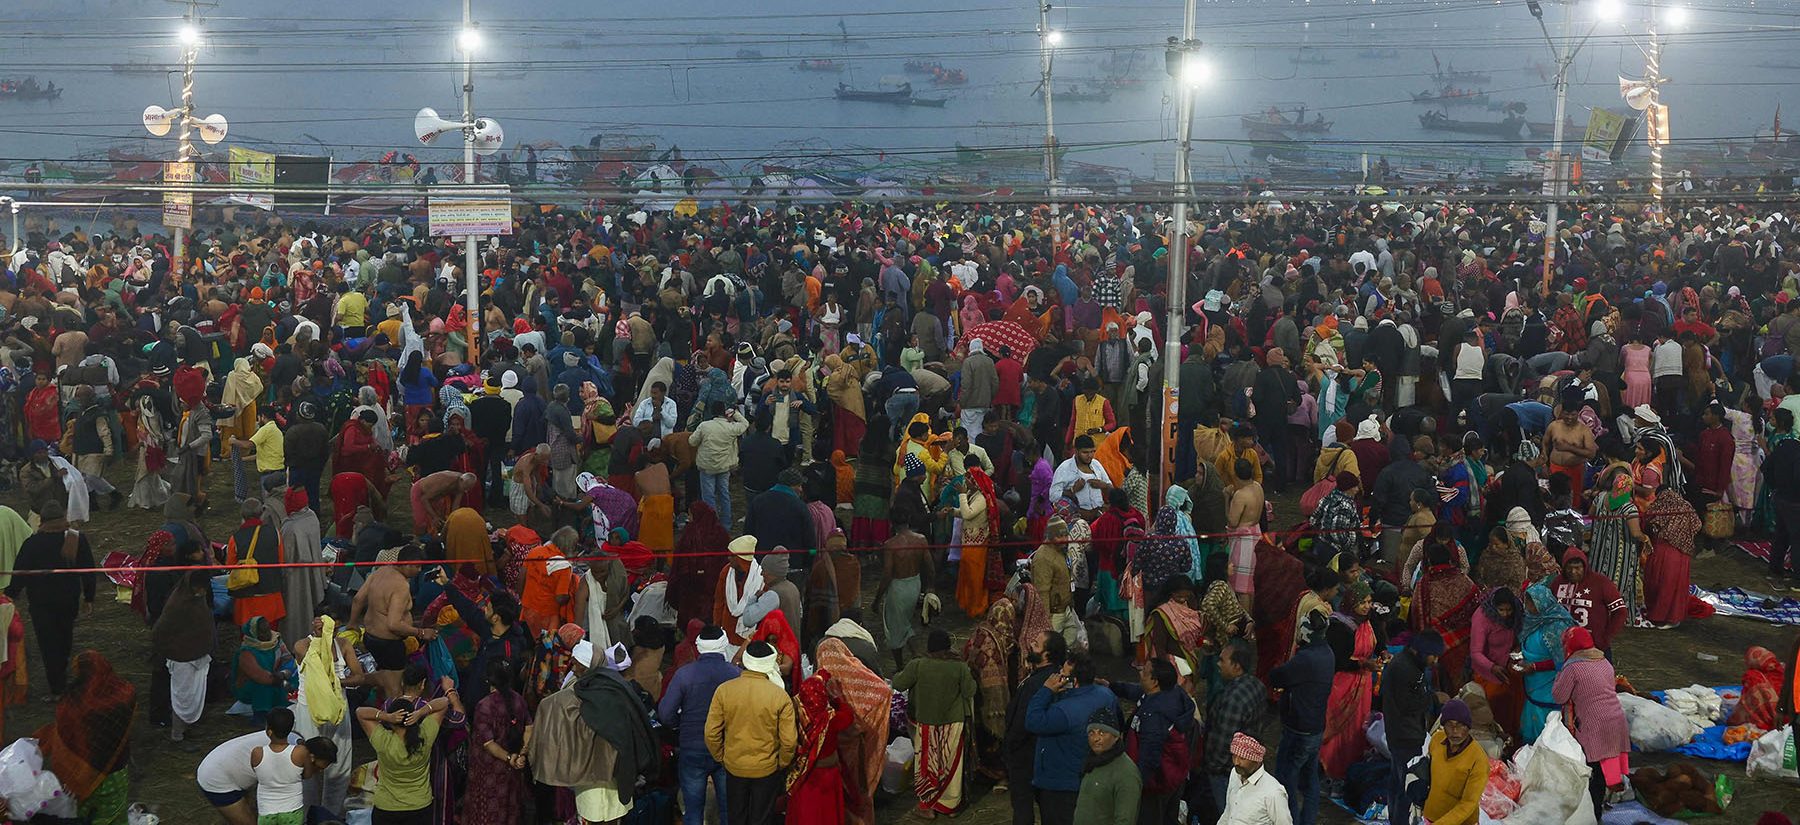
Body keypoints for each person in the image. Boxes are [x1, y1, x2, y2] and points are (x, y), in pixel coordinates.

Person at [34, 651, 137, 825]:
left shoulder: (71, 701)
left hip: (81, 774)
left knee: (83, 813)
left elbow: (64, 733)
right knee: (113, 813)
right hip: (115, 772)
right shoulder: (125, 694)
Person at [4, 501, 94, 699]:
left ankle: (57, 687)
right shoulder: (76, 539)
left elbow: (20, 572)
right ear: (63, 519)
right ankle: (61, 675)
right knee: (64, 638)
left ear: (42, 521)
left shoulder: (33, 543)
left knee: (48, 644)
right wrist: (89, 597)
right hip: (68, 600)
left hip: (41, 604)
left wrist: (11, 594)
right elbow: (89, 570)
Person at [705, 640, 797, 825]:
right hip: (766, 769)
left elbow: (711, 732)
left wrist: (721, 757)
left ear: (746, 661)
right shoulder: (780, 696)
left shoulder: (724, 691)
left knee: (736, 817)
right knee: (761, 819)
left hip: (734, 766)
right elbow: (789, 741)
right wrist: (781, 763)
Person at [1025, 653, 1120, 825]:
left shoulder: (1064, 711)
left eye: (1064, 672)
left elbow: (1033, 721)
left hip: (1060, 785)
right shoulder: (1106, 695)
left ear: (1073, 681)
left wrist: (1046, 690)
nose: (1059, 674)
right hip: (1091, 776)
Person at [659, 625, 740, 825]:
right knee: (728, 810)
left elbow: (665, 713)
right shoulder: (736, 674)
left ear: (699, 647)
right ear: (724, 645)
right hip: (725, 749)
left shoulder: (684, 674)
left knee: (693, 811)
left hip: (692, 747)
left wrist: (681, 725)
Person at [893, 629, 977, 818]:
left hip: (926, 723)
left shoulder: (918, 665)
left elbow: (898, 684)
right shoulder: (959, 668)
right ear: (948, 649)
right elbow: (970, 690)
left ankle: (927, 806)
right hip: (954, 723)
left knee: (927, 764)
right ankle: (950, 806)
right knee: (951, 765)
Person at [356, 681, 463, 825]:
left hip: (386, 808)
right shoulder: (424, 736)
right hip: (419, 807)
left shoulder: (383, 741)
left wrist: (387, 717)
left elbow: (360, 712)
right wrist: (420, 712)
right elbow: (444, 702)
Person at [1553, 627, 1630, 818]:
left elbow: (1559, 696)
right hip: (1616, 719)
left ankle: (1591, 814)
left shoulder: (1572, 667)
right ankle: (1598, 809)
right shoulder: (1603, 661)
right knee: (1602, 770)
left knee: (1592, 770)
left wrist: (1557, 678)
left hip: (1594, 724)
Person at [1106, 657, 1194, 825]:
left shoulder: (1154, 716)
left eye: (1144, 673)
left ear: (1155, 682)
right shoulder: (1172, 693)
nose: (1140, 675)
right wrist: (1112, 686)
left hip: (1156, 785)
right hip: (1174, 777)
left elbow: (1150, 756)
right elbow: (1137, 691)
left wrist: (1135, 786)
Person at [1268, 611, 1332, 825]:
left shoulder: (1306, 659)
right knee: (1310, 781)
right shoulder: (1327, 653)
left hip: (1299, 729)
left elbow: (1277, 676)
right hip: (1315, 727)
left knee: (1286, 782)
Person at [1380, 630, 1443, 825]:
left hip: (1401, 732)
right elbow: (1407, 704)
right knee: (1406, 787)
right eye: (1434, 655)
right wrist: (1433, 698)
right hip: (1404, 736)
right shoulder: (1404, 669)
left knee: (1397, 782)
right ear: (1422, 652)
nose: (1436, 660)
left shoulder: (1409, 664)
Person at [1004, 628, 1067, 825]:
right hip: (1047, 756)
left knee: (1023, 806)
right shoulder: (1057, 678)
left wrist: (1008, 748)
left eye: (1037, 644)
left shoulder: (1037, 684)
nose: (1031, 644)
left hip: (1025, 755)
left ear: (1046, 655)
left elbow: (1022, 723)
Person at [1321, 579, 1381, 781]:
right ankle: (1330, 768)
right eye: (1362, 602)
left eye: (1369, 601)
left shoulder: (1366, 622)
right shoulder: (1340, 626)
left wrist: (1382, 653)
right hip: (1343, 684)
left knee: (1356, 727)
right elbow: (1338, 661)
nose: (1367, 606)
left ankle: (1349, 768)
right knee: (1339, 728)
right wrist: (1364, 665)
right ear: (1351, 603)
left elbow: (1377, 643)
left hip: (1362, 686)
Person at [198, 712, 299, 825]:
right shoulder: (291, 753)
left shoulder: (287, 737)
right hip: (217, 778)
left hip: (222, 766)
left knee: (251, 813)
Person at [466, 660, 533, 825]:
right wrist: (522, 755)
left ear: (488, 680)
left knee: (487, 814)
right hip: (513, 770)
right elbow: (529, 727)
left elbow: (489, 744)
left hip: (489, 772)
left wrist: (511, 758)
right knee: (511, 809)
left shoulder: (484, 706)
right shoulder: (519, 700)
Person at [1204, 639, 1264, 818]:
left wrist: (1211, 768)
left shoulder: (1233, 699)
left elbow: (1223, 742)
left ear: (1237, 666)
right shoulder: (1256, 685)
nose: (1218, 663)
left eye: (1222, 660)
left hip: (1227, 773)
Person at [250, 717, 339, 825]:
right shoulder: (289, 760)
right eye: (318, 768)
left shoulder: (294, 739)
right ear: (310, 758)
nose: (318, 772)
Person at [1518, 582, 1577, 743]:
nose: (1529, 606)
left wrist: (1536, 666)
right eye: (1527, 601)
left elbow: (1564, 660)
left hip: (1550, 681)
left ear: (1542, 601)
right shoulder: (1530, 621)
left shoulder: (1557, 625)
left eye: (1532, 602)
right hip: (1532, 681)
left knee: (1548, 724)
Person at [1642, 480, 1701, 629]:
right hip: (1683, 553)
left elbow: (1647, 520)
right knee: (1676, 585)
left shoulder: (1661, 505)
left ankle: (1659, 615)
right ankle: (1673, 617)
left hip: (1663, 550)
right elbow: (1698, 524)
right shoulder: (1686, 506)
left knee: (1660, 583)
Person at [1419, 700, 1489, 825]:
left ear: (1468, 727)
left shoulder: (1478, 759)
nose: (1455, 730)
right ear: (1443, 726)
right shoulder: (1436, 740)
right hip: (1431, 816)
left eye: (1461, 725)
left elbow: (1468, 803)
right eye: (1450, 725)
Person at [1073, 704, 1141, 825]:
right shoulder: (1091, 764)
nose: (1096, 738)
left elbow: (1125, 820)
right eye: (1091, 733)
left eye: (1102, 733)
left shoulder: (1126, 773)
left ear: (1116, 736)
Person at [1470, 587, 1524, 739]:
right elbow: (1475, 653)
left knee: (1513, 712)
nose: (1506, 614)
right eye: (1501, 610)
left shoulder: (1517, 613)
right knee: (1493, 714)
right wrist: (1492, 668)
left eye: (1509, 610)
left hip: (1510, 669)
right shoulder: (1482, 617)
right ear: (1494, 607)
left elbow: (1518, 635)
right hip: (1488, 673)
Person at [1552, 549, 1627, 655]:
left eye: (1577, 568)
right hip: (1563, 644)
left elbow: (1620, 611)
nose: (1573, 572)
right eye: (1569, 568)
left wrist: (1605, 638)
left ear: (1585, 567)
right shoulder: (1557, 583)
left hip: (1594, 645)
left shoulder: (1600, 582)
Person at [1219, 733, 1292, 825]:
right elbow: (1229, 812)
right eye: (1234, 756)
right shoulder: (1235, 774)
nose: (1236, 762)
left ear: (1257, 760)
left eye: (1242, 758)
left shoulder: (1274, 792)